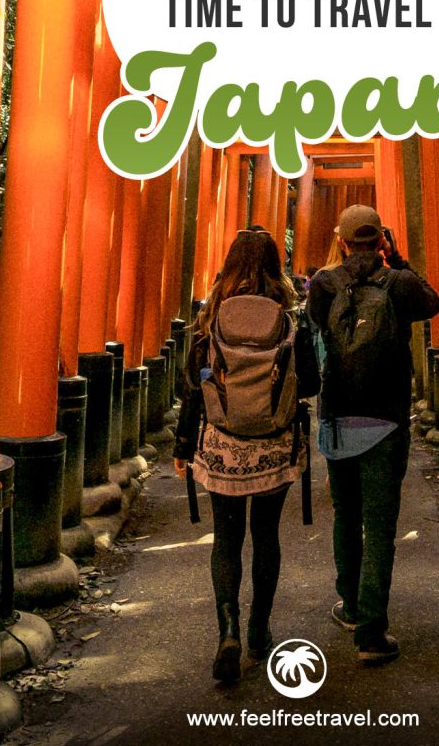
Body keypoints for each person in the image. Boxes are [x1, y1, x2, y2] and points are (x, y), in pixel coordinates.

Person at [173, 230, 319, 684]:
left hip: (222, 443)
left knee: (227, 539)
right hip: (274, 443)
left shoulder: (210, 316)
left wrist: (182, 446)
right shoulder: (293, 316)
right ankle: (259, 631)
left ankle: (228, 630)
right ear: (277, 263)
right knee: (267, 535)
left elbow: (190, 388)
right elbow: (311, 383)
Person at [308, 204, 439, 666]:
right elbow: (432, 303)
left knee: (346, 515)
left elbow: (316, 336)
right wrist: (398, 259)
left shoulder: (323, 284)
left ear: (342, 240)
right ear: (380, 240)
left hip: (338, 414)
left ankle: (349, 605)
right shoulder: (399, 283)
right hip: (386, 416)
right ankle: (371, 631)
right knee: (380, 526)